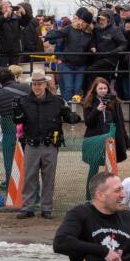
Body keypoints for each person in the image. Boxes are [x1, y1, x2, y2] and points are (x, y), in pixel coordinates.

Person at [13, 71, 80, 219]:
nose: (37, 87)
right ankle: (28, 207)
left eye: (40, 84)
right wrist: (16, 113)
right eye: (34, 84)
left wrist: (73, 117)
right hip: (31, 144)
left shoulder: (57, 101)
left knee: (48, 177)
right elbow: (18, 120)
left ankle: (46, 208)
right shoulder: (23, 101)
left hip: (50, 144)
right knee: (30, 177)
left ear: (45, 84)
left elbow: (67, 116)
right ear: (32, 85)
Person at [80, 77, 129, 200]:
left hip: (110, 140)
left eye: (105, 88)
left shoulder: (114, 102)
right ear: (95, 90)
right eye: (100, 88)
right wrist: (97, 110)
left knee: (111, 169)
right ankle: (89, 196)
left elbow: (120, 122)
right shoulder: (89, 102)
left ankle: (111, 195)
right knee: (93, 168)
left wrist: (126, 140)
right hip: (94, 140)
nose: (103, 90)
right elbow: (88, 123)